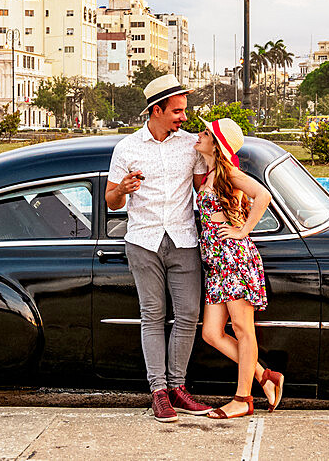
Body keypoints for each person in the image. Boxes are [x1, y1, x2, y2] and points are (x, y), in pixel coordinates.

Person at [105, 74, 212, 423]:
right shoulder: (127, 148)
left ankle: (179, 389)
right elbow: (112, 202)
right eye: (177, 111)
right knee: (152, 316)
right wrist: (122, 188)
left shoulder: (189, 145)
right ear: (157, 110)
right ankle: (159, 392)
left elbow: (204, 189)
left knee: (187, 317)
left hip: (183, 239)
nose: (183, 116)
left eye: (184, 110)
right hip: (144, 241)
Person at [194, 117, 283, 419]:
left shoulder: (228, 172)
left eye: (206, 133)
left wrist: (243, 229)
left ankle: (242, 399)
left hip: (233, 258)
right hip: (217, 264)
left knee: (243, 330)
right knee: (211, 333)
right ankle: (264, 376)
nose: (200, 135)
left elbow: (264, 196)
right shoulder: (209, 175)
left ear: (217, 145)